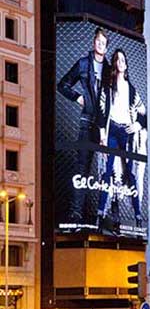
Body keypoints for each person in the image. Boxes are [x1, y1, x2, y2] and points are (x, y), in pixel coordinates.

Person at [58, 27, 111, 224]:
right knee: (82, 170)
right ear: (93, 43)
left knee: (109, 171)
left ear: (106, 48)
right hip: (87, 123)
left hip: (105, 126)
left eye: (103, 43)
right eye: (98, 41)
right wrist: (77, 97)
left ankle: (106, 215)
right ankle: (76, 212)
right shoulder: (82, 64)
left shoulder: (109, 69)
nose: (100, 45)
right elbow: (62, 84)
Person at [97, 48, 147, 231]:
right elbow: (101, 112)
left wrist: (137, 125)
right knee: (107, 171)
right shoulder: (108, 88)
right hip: (112, 129)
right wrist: (102, 133)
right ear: (114, 63)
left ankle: (137, 214)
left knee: (129, 173)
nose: (120, 62)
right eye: (117, 59)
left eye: (123, 60)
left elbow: (144, 113)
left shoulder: (132, 90)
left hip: (125, 131)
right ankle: (101, 211)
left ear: (126, 65)